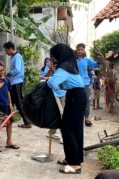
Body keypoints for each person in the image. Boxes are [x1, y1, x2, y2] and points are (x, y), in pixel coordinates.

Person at [44, 43, 86, 174]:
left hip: (75, 98)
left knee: (70, 129)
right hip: (76, 96)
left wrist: (51, 77)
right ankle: (71, 158)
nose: (53, 60)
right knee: (72, 128)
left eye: (53, 57)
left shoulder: (64, 67)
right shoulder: (70, 65)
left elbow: (52, 83)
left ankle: (75, 164)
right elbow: (63, 85)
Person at [0, 61, 19, 152]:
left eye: (3, 69)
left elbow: (8, 92)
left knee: (9, 123)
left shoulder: (7, 80)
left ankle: (9, 141)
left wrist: (10, 103)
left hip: (6, 104)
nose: (2, 71)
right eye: (0, 70)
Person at [3, 41, 31, 128]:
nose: (6, 52)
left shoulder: (17, 57)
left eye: (6, 50)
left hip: (17, 83)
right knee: (10, 102)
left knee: (19, 103)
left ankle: (27, 122)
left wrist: (9, 74)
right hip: (13, 82)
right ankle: (7, 121)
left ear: (10, 49)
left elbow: (17, 70)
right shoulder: (13, 57)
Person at [40, 60, 66, 143]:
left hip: (61, 94)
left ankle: (63, 135)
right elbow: (44, 79)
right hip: (53, 95)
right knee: (55, 114)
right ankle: (52, 132)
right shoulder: (49, 68)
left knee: (62, 114)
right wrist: (50, 71)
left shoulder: (63, 71)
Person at [75, 43, 100, 126]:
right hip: (75, 83)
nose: (80, 51)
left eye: (81, 50)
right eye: (78, 49)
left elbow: (94, 64)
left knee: (86, 101)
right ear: (76, 50)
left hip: (85, 83)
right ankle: (78, 118)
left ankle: (86, 119)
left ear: (84, 50)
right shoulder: (73, 60)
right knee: (77, 101)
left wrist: (99, 60)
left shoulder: (86, 60)